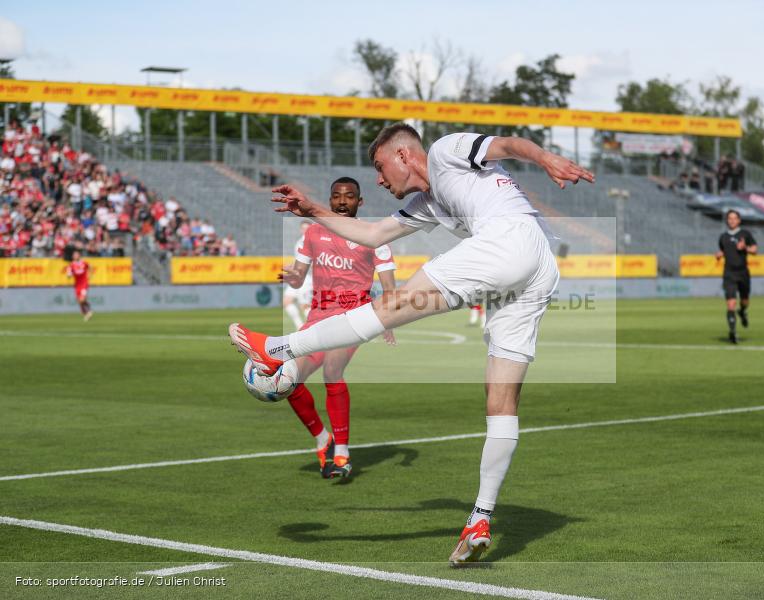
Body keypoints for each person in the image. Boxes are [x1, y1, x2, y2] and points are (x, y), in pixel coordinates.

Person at [229, 123, 594, 565]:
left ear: (403, 156)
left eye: (380, 168)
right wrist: (312, 209)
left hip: (508, 242)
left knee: (390, 306)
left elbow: (506, 145)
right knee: (500, 401)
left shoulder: (444, 152)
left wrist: (546, 158)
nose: (379, 180)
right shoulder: (427, 203)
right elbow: (373, 235)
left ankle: (280, 349)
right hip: (537, 268)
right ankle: (480, 518)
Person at [279, 177, 397, 478]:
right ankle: (323, 440)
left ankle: (342, 453)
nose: (342, 201)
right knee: (287, 381)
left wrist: (388, 319)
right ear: (330, 200)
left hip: (353, 317)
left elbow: (388, 287)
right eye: (336, 196)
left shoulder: (374, 237)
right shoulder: (314, 233)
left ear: (360, 202)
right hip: (318, 315)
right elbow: (299, 275)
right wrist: (291, 277)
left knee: (333, 370)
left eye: (349, 196)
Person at [716, 210, 757, 344]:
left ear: (739, 220)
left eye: (735, 218)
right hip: (729, 274)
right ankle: (733, 332)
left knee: (744, 301)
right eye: (730, 218)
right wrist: (719, 254)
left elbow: (755, 250)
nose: (732, 220)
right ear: (727, 221)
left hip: (743, 273)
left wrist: (745, 248)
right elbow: (723, 249)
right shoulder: (723, 237)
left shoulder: (745, 234)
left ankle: (743, 312)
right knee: (731, 303)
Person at [283, 222, 314, 329]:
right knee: (287, 301)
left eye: (307, 228)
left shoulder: (312, 242)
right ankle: (300, 327)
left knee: (304, 305)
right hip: (297, 276)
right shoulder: (299, 241)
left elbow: (312, 262)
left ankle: (314, 328)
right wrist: (292, 267)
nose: (305, 230)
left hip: (307, 278)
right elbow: (300, 260)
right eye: (303, 228)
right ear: (301, 229)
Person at [65, 250, 93, 322]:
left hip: (84, 283)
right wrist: (69, 275)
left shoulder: (84, 263)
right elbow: (69, 274)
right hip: (77, 285)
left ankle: (88, 309)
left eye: (77, 254)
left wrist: (90, 274)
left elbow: (90, 267)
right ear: (73, 257)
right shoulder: (71, 265)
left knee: (82, 299)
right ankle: (86, 314)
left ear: (79, 255)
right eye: (74, 255)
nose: (76, 256)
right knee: (80, 302)